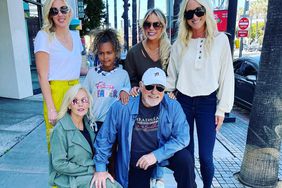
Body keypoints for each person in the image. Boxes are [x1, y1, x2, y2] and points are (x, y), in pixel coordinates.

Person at [166, 0, 234, 187]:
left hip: (208, 104)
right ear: (184, 17)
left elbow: (226, 76)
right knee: (185, 154)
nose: (194, 17)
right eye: (189, 14)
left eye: (199, 11)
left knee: (205, 156)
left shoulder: (221, 41)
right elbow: (171, 77)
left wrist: (222, 109)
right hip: (183, 102)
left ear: (207, 11)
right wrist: (168, 97)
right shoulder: (179, 43)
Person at [91, 68, 196, 188]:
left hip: (161, 156)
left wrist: (156, 155)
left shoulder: (173, 106)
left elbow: (183, 137)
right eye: (150, 86)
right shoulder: (122, 107)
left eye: (160, 88)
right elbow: (105, 138)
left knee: (185, 159)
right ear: (141, 86)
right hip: (137, 162)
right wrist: (100, 168)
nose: (154, 92)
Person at [34, 0, 84, 151]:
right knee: (58, 143)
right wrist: (51, 108)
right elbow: (42, 76)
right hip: (56, 92)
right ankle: (57, 175)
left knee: (76, 140)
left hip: (76, 91)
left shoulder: (76, 36)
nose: (60, 14)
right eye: (54, 11)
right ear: (50, 15)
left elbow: (79, 68)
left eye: (63, 9)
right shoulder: (44, 36)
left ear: (69, 11)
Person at [49, 84, 121, 188]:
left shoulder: (89, 123)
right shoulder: (60, 129)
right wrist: (90, 169)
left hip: (88, 172)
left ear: (88, 103)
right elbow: (59, 164)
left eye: (84, 100)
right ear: (69, 105)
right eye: (75, 101)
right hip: (70, 177)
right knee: (109, 186)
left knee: (113, 184)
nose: (80, 104)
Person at [83, 28, 131, 177]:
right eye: (101, 53)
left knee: (113, 161)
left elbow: (128, 94)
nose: (105, 57)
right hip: (96, 125)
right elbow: (84, 96)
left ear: (116, 52)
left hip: (115, 126)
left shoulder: (123, 75)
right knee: (97, 159)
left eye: (109, 52)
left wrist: (126, 90)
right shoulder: (92, 74)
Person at [124, 8, 171, 97]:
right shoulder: (134, 52)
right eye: (147, 24)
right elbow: (129, 80)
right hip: (141, 102)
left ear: (163, 26)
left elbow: (174, 80)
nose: (151, 28)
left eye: (156, 24)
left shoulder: (170, 51)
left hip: (165, 102)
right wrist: (134, 87)